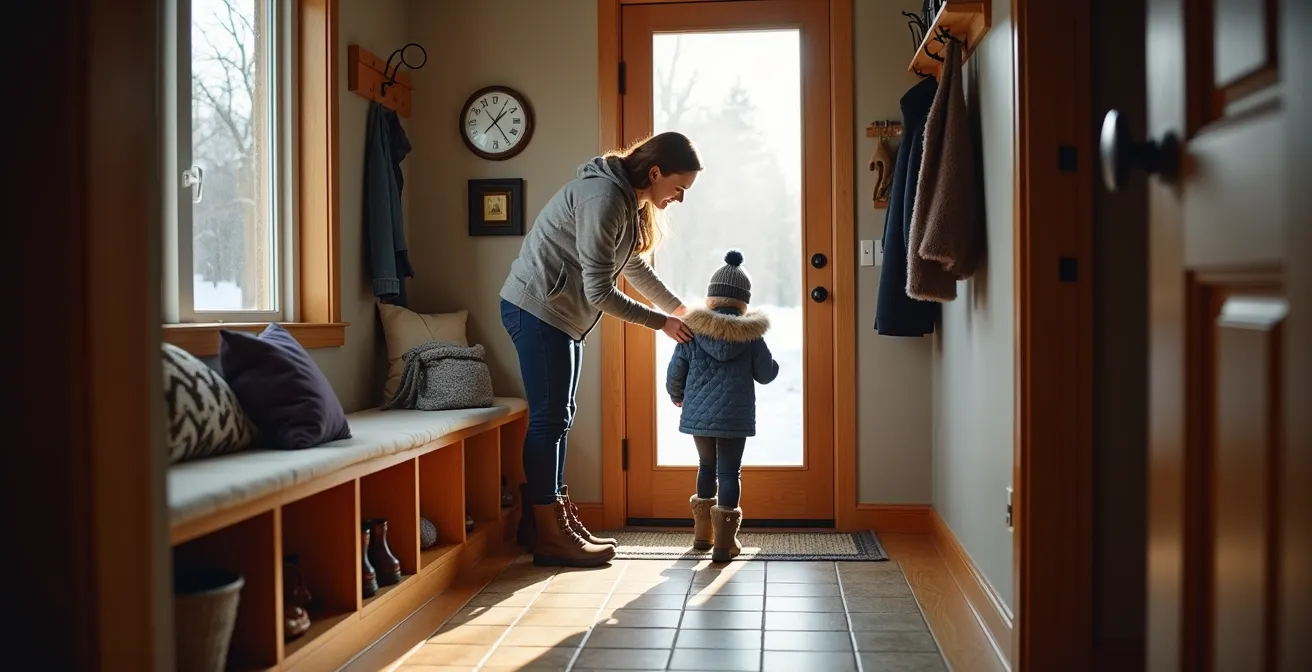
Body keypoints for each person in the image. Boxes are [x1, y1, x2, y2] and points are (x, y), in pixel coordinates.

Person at [500, 132, 702, 567]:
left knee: (559, 416)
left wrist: (679, 308)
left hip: (560, 315)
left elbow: (631, 264)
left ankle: (546, 524)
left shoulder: (627, 202)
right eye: (679, 188)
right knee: (550, 418)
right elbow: (599, 291)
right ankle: (550, 531)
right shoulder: (604, 197)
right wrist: (661, 323)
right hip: (536, 310)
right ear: (655, 173)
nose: (680, 199)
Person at [665, 249, 779, 563]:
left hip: (699, 415)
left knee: (706, 467)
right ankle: (724, 545)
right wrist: (774, 363)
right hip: (734, 416)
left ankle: (702, 536)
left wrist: (676, 394)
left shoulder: (692, 331)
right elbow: (766, 375)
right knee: (730, 474)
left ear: (711, 298)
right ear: (744, 303)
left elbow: (677, 370)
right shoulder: (751, 336)